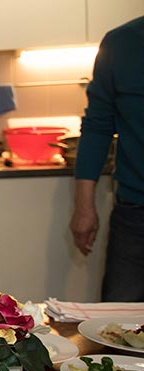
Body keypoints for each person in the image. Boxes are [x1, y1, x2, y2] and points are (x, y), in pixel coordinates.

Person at [70, 15, 144, 301]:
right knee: (117, 328)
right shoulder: (121, 43)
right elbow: (98, 127)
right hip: (135, 215)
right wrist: (84, 206)